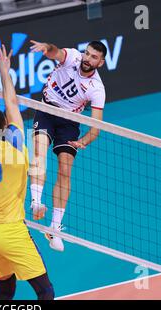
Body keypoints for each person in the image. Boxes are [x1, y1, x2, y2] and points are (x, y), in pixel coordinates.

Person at [0, 41, 54, 300]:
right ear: (6, 125)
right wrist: (4, 70)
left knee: (6, 289)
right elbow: (9, 100)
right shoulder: (16, 149)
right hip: (11, 232)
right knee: (46, 292)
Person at [28, 39, 107, 252]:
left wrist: (83, 141)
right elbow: (55, 52)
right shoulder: (72, 57)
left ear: (100, 63)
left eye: (94, 57)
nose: (88, 58)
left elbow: (96, 127)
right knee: (39, 153)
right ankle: (36, 202)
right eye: (87, 53)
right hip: (46, 110)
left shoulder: (97, 89)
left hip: (69, 122)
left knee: (65, 170)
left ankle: (54, 228)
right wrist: (47, 47)